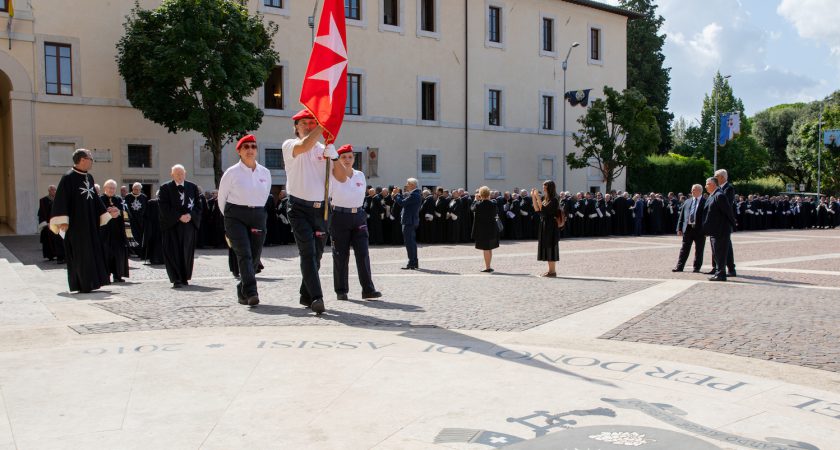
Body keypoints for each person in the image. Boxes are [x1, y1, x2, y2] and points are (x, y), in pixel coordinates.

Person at [281, 109, 339, 315]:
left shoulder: (325, 148)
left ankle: (306, 294)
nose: (308, 127)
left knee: (317, 256)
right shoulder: (289, 145)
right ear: (296, 127)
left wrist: (335, 157)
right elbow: (305, 145)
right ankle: (317, 297)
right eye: (304, 123)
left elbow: (340, 177)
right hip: (299, 208)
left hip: (322, 209)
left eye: (312, 123)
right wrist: (324, 125)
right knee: (307, 252)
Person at [48, 148, 116, 293]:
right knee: (80, 254)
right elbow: (61, 200)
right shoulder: (68, 177)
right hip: (76, 226)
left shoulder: (89, 177)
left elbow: (95, 200)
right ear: (83, 160)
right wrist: (63, 221)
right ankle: (82, 284)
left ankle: (92, 283)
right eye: (91, 158)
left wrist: (106, 212)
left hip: (90, 224)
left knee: (92, 252)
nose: (92, 161)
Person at [216, 134, 272, 306]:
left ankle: (242, 288)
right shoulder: (231, 173)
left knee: (255, 256)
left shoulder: (265, 172)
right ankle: (251, 292)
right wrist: (229, 219)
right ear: (239, 151)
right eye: (246, 147)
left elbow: (265, 195)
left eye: (253, 146)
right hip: (235, 216)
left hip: (257, 214)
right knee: (244, 254)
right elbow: (221, 198)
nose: (250, 150)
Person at [329, 144, 381, 300]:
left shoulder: (359, 175)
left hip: (358, 215)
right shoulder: (333, 174)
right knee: (340, 254)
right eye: (343, 157)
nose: (347, 160)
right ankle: (341, 290)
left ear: (354, 158)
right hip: (339, 215)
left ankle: (368, 289)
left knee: (363, 253)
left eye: (350, 157)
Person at [158, 164, 202, 288]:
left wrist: (191, 215)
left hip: (188, 226)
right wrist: (178, 216)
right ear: (172, 175)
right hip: (172, 226)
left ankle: (185, 276)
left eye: (182, 174)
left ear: (185, 173)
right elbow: (163, 207)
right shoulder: (165, 188)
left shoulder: (192, 187)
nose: (180, 176)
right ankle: (176, 278)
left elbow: (199, 206)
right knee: (173, 252)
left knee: (186, 252)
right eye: (177, 174)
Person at [702, 177, 736, 282]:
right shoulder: (712, 195)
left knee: (720, 253)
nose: (705, 186)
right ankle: (719, 272)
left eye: (707, 184)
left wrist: (732, 225)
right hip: (714, 230)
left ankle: (721, 274)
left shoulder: (719, 195)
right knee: (717, 253)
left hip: (721, 230)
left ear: (714, 184)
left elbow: (728, 211)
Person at [99, 179, 130, 283]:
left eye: (113, 188)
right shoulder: (100, 199)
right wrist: (108, 213)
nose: (111, 190)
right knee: (105, 254)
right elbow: (96, 214)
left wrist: (119, 212)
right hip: (104, 232)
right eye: (109, 188)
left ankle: (118, 275)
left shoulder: (119, 199)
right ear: (105, 188)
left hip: (117, 232)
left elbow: (126, 213)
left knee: (118, 254)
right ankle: (105, 276)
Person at [672, 184, 706, 273]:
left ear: (700, 191)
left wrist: (706, 229)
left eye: (694, 190)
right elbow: (682, 216)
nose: (692, 191)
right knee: (684, 248)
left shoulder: (705, 202)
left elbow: (707, 217)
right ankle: (679, 266)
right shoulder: (687, 201)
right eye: (692, 190)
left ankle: (696, 267)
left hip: (700, 230)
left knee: (699, 249)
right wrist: (679, 228)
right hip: (688, 228)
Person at [711, 169, 737, 277]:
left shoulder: (728, 188)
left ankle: (729, 268)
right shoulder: (719, 189)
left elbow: (725, 205)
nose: (714, 178)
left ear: (722, 177)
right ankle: (718, 267)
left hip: (724, 223)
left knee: (725, 247)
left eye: (716, 176)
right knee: (719, 246)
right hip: (717, 223)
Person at [531, 180, 560, 277]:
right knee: (546, 246)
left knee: (550, 247)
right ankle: (550, 270)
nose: (543, 188)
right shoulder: (545, 198)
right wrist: (533, 197)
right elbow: (537, 209)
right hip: (544, 224)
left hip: (551, 225)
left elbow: (544, 210)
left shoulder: (554, 199)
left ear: (549, 187)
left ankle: (553, 271)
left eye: (545, 186)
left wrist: (538, 197)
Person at [394, 178, 422, 269]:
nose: (406, 185)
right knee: (411, 243)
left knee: (409, 243)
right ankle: (414, 262)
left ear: (413, 185)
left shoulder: (414, 194)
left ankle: (412, 263)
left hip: (409, 221)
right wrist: (398, 194)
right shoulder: (415, 194)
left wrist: (396, 194)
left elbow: (402, 203)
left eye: (408, 183)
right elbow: (405, 202)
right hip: (410, 221)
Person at [472, 186, 500, 272]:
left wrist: (476, 200)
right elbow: (496, 213)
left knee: (486, 249)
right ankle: (489, 266)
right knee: (489, 248)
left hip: (482, 229)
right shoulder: (493, 204)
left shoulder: (478, 204)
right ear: (488, 194)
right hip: (492, 228)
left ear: (480, 195)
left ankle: (487, 267)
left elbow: (472, 208)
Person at [37, 185, 65, 263]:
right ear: (49, 191)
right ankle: (50, 255)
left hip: (58, 223)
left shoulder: (59, 200)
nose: (54, 191)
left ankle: (60, 255)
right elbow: (41, 214)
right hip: (48, 224)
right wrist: (47, 223)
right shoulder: (43, 201)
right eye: (52, 190)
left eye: (55, 190)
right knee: (47, 235)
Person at [124, 182, 148, 257]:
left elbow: (146, 208)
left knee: (140, 235)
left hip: (141, 220)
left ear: (140, 189)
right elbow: (125, 208)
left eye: (138, 189)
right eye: (135, 189)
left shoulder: (144, 197)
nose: (136, 190)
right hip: (131, 220)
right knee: (132, 235)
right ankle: (132, 251)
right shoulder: (128, 197)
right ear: (132, 189)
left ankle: (139, 251)